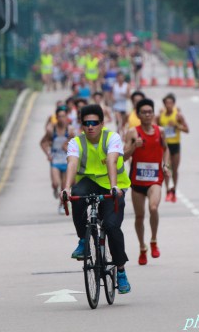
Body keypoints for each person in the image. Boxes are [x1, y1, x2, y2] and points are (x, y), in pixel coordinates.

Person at [61, 104, 132, 294]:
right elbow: (72, 164)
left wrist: (114, 186)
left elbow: (111, 159)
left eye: (94, 123)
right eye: (86, 123)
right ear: (81, 125)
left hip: (112, 186)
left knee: (111, 226)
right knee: (75, 196)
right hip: (88, 182)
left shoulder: (112, 137)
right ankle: (83, 241)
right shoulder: (76, 142)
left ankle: (121, 270)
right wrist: (66, 188)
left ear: (102, 123)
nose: (90, 126)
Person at [124, 98, 171, 266]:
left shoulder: (160, 131)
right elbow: (123, 157)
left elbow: (165, 149)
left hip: (154, 179)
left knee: (153, 207)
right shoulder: (132, 133)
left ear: (153, 113)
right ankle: (142, 247)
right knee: (139, 216)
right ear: (138, 115)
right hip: (137, 180)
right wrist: (134, 147)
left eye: (150, 112)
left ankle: (153, 240)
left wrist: (165, 165)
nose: (147, 115)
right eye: (143, 112)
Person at [40, 106, 75, 214]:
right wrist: (48, 154)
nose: (61, 119)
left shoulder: (70, 130)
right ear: (56, 117)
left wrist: (67, 146)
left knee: (64, 187)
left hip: (66, 161)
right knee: (56, 183)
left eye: (63, 116)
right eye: (59, 116)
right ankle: (54, 188)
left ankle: (62, 205)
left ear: (66, 117)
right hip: (55, 161)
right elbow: (43, 142)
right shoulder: (52, 130)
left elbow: (74, 143)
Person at [156, 93, 189, 202]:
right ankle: (168, 191)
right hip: (165, 146)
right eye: (166, 103)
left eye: (170, 103)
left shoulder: (178, 116)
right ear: (164, 104)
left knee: (174, 169)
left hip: (175, 145)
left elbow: (187, 130)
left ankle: (174, 190)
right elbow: (155, 129)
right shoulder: (160, 116)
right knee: (166, 168)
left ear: (174, 104)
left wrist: (176, 126)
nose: (168, 105)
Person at [111, 71, 130, 137]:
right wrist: (112, 99)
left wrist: (124, 94)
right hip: (116, 105)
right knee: (119, 120)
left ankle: (120, 131)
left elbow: (128, 96)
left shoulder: (126, 85)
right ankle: (119, 133)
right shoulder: (114, 85)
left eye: (121, 77)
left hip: (123, 106)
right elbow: (111, 94)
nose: (120, 79)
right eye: (119, 77)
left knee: (122, 122)